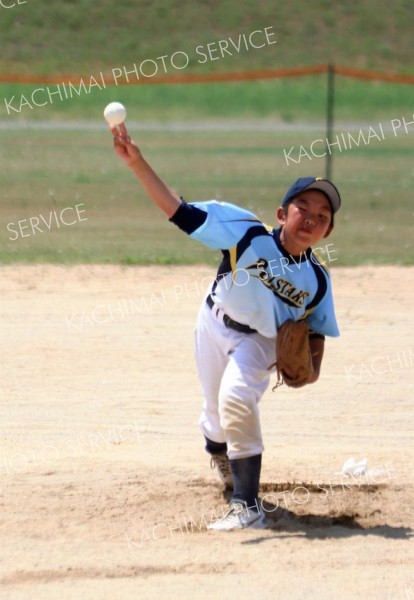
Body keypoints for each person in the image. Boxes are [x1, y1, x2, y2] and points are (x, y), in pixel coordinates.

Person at [111, 123, 341, 531]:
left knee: (236, 398)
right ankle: (221, 453)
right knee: (215, 418)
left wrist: (312, 370)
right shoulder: (247, 233)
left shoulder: (318, 281)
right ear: (282, 213)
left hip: (262, 343)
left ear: (328, 231)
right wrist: (137, 163)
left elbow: (318, 331)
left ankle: (247, 507)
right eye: (303, 207)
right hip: (213, 323)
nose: (312, 218)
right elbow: (178, 211)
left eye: (323, 216)